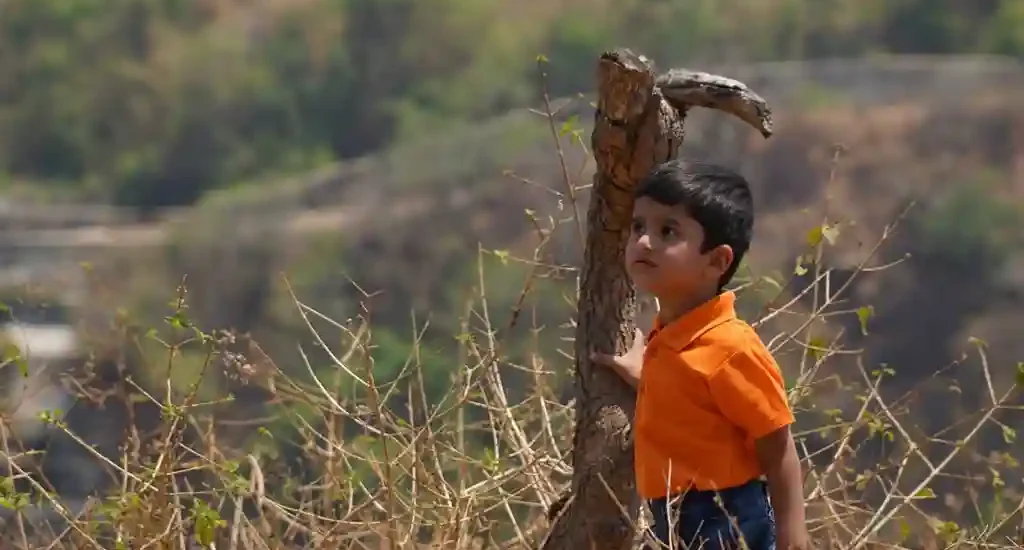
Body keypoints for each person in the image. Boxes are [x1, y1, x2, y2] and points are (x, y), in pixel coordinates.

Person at [591, 159, 811, 550]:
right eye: (638, 226)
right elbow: (692, 397)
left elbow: (778, 448)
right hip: (670, 514)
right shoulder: (672, 334)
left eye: (667, 231)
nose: (643, 242)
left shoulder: (731, 347)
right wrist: (641, 373)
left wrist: (793, 535)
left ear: (717, 261)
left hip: (724, 516)